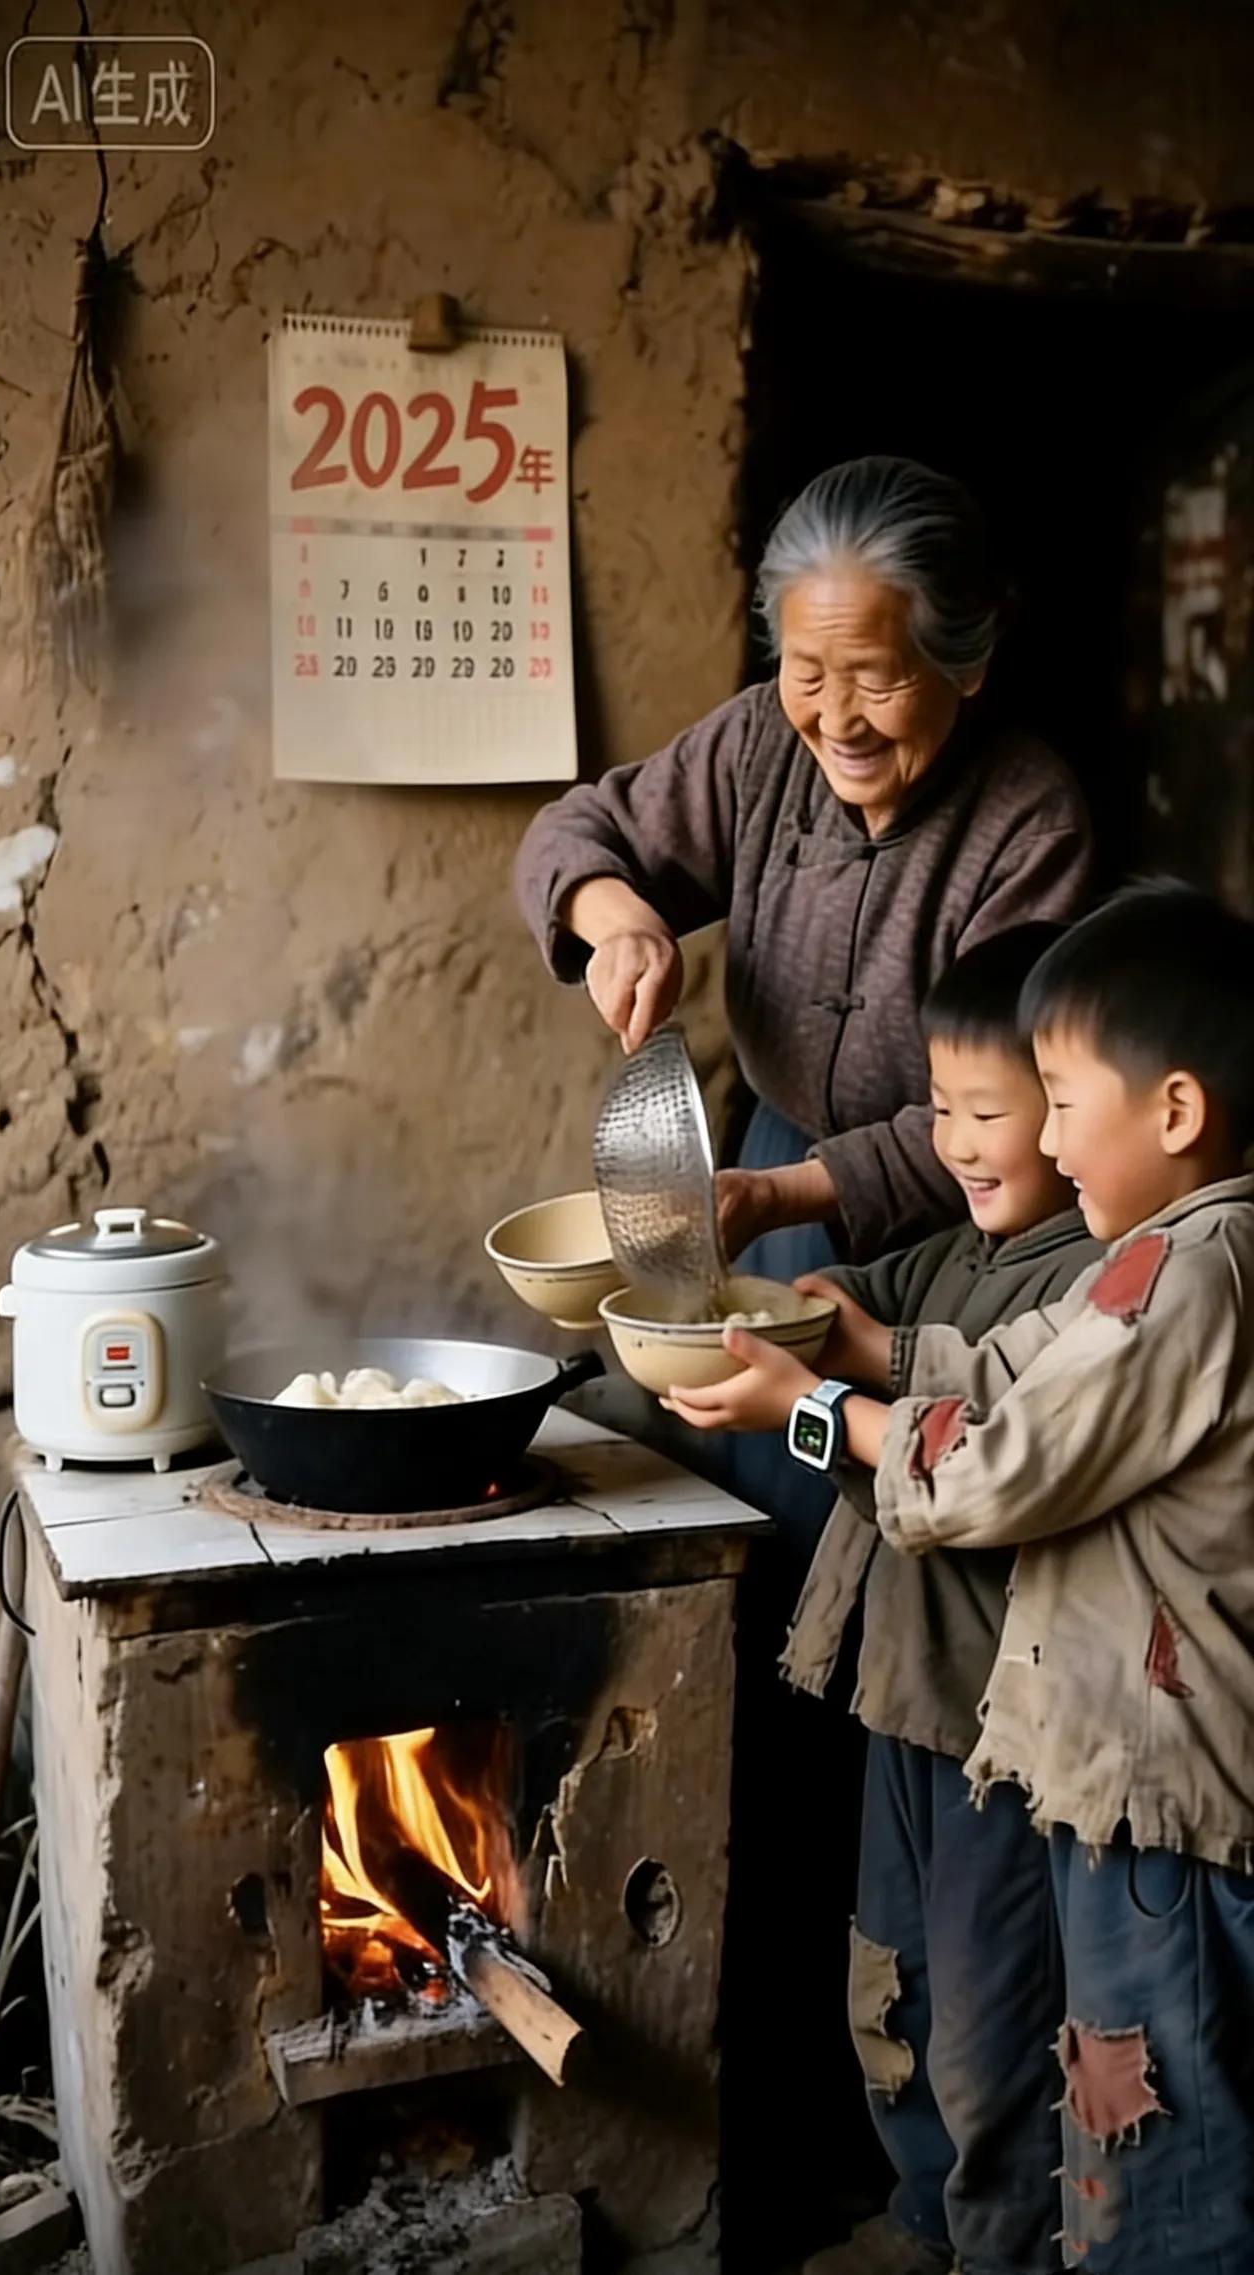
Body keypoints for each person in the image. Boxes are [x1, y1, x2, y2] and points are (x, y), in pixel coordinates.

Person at [688, 884, 1254, 2275]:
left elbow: (996, 1466)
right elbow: (1017, 1365)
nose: (1047, 1138)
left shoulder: (1191, 1275)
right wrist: (864, 1348)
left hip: (1159, 1799)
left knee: (1151, 2143)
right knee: (1117, 2098)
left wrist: (807, 1416)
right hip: (1116, 1778)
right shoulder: (1159, 1259)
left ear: (1173, 1110)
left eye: (1059, 1101)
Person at [666, 924, 1102, 2275]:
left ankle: (1001, 2242)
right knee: (890, 1982)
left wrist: (813, 1401)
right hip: (901, 1696)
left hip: (999, 1733)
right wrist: (774, 1311)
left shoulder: (1093, 1280)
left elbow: (966, 1418)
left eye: (990, 1113)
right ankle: (921, 2215)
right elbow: (859, 1300)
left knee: (991, 2019)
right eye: (942, 1109)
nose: (957, 1142)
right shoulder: (957, 1245)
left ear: (1081, 1110)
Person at [516, 453, 1094, 1286]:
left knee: (906, 1408)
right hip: (774, 1154)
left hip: (967, 1204)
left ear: (965, 663)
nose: (837, 720)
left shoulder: (1030, 821)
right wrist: (623, 924)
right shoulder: (758, 745)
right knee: (756, 1396)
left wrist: (781, 1196)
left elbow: (1014, 1104)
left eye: (875, 677)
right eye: (808, 673)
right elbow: (570, 832)